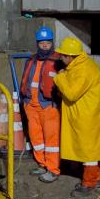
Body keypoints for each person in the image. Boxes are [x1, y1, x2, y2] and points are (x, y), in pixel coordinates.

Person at [53, 37, 100, 197]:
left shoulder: (84, 70)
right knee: (89, 150)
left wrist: (59, 77)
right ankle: (94, 177)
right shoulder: (80, 66)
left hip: (87, 117)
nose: (61, 58)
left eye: (63, 55)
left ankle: (89, 183)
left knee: (89, 151)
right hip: (85, 115)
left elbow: (72, 93)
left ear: (71, 56)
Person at [20, 26, 62, 183]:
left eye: (48, 43)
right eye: (42, 43)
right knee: (36, 138)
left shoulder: (58, 61)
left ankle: (53, 169)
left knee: (51, 140)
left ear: (52, 43)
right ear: (37, 43)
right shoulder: (31, 60)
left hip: (49, 106)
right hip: (31, 105)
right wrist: (25, 101)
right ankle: (42, 164)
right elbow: (26, 80)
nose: (45, 46)